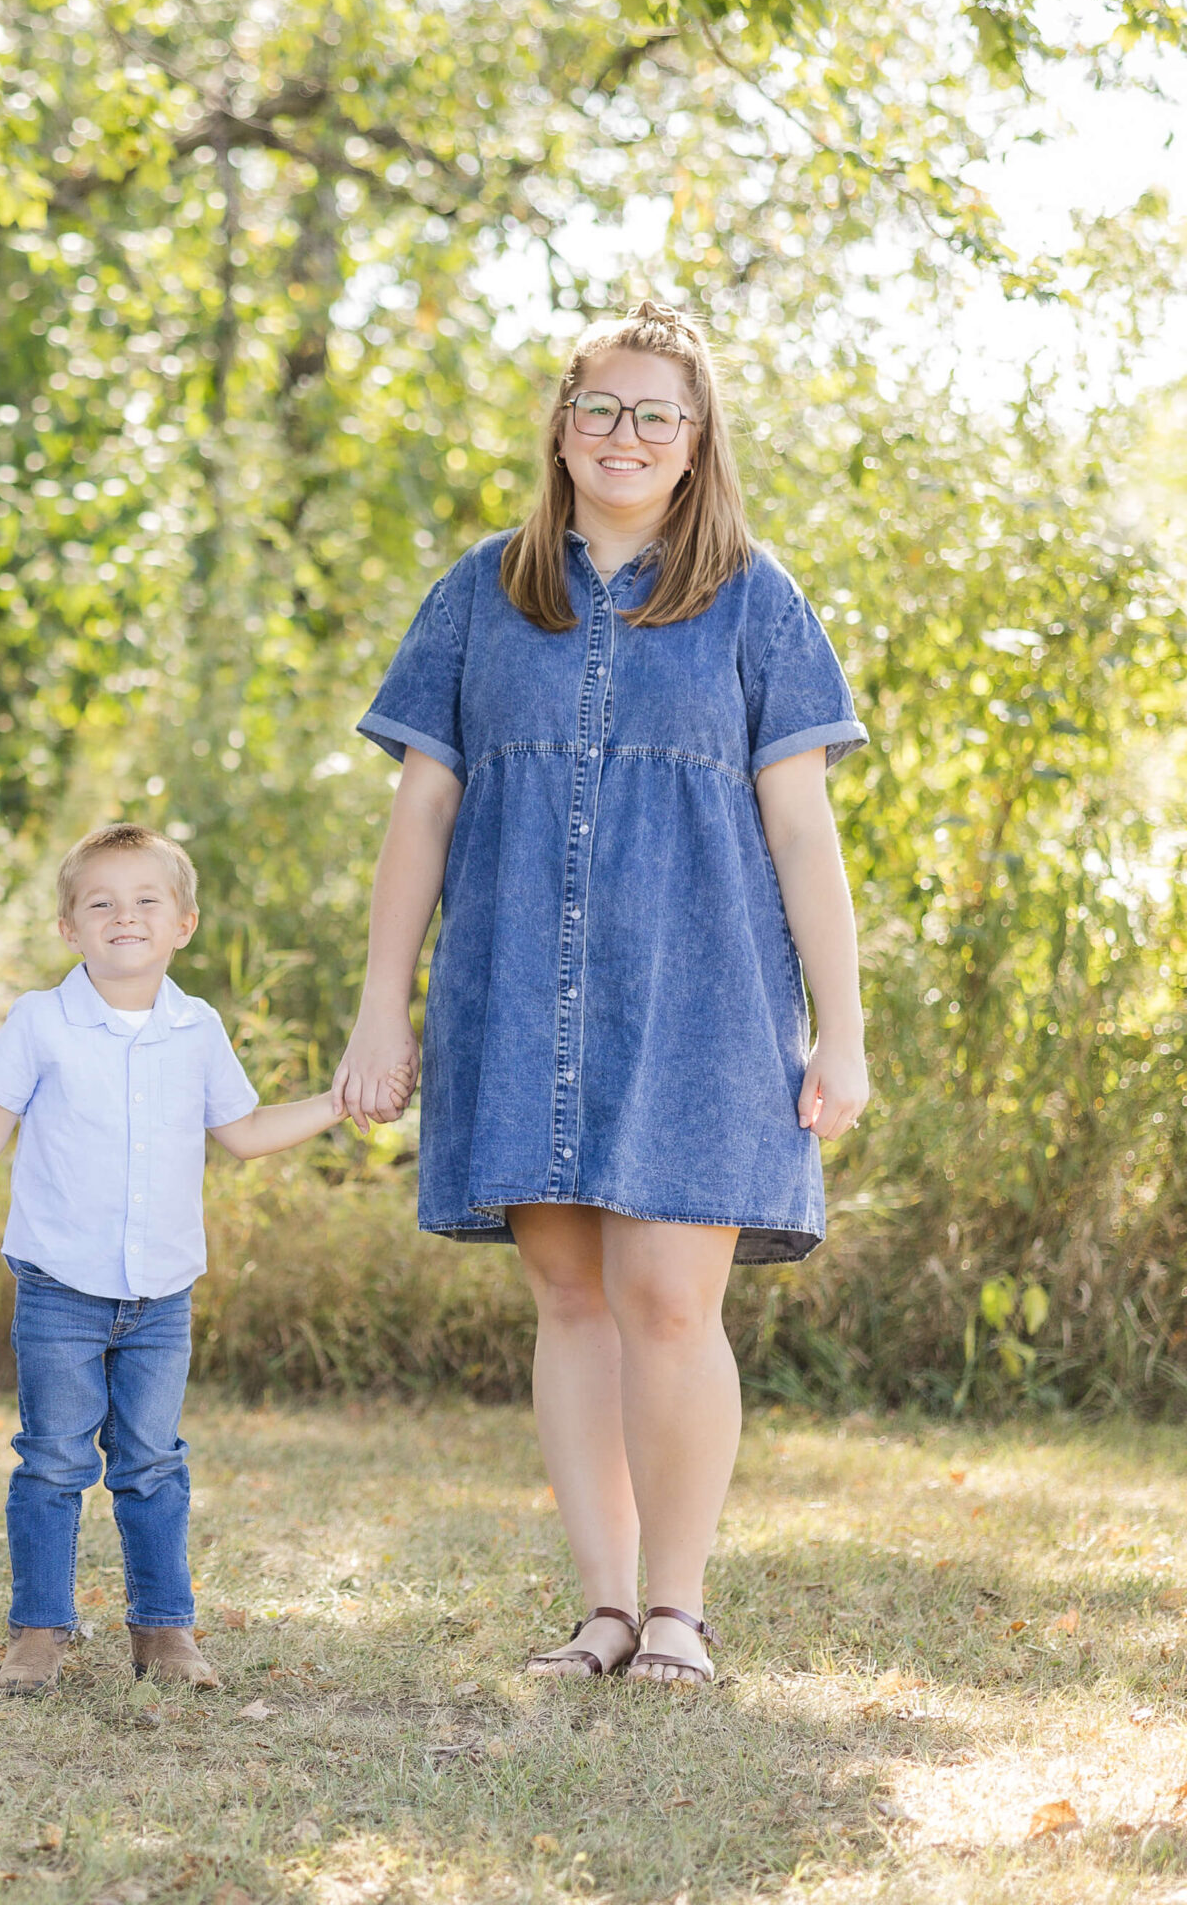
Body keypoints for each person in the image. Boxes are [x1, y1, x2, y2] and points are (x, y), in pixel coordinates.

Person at [332, 301, 869, 1685]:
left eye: (657, 416)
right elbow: (421, 815)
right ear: (563, 431)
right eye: (601, 410)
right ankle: (605, 1609)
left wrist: (842, 1030)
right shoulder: (481, 593)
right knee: (569, 1298)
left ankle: (681, 1611)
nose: (625, 436)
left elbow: (804, 834)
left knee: (672, 1304)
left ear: (695, 448)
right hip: (518, 992)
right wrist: (379, 1007)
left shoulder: (755, 596)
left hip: (702, 1003)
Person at [0, 824, 339, 1697]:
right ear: (69, 927)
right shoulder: (42, 1021)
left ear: (183, 923)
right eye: (102, 902)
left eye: (148, 900)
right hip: (60, 1291)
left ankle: (166, 1632)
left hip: (161, 1299)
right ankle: (39, 1633)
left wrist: (340, 1101)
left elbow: (245, 1134)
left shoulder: (198, 1027)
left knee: (153, 1465)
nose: (126, 916)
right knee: (52, 1462)